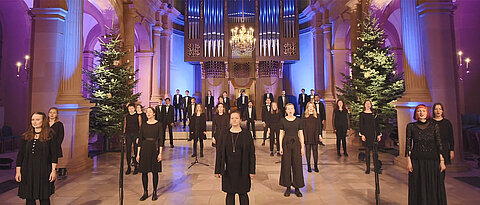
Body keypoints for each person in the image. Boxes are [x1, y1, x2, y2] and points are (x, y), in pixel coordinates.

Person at [406, 104, 446, 205]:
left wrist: (442, 161)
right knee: (418, 186)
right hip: (417, 160)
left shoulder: (434, 126)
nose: (421, 113)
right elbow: (408, 145)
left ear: (427, 113)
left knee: (432, 185)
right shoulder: (411, 126)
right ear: (416, 113)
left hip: (432, 160)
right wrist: (409, 162)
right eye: (419, 111)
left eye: (423, 111)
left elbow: (439, 144)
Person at [15, 112, 58, 205]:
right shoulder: (26, 136)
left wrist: (53, 170)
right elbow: (20, 155)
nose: (34, 122)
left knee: (44, 196)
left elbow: (54, 155)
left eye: (37, 119)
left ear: (43, 121)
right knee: (29, 196)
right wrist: (18, 172)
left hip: (44, 169)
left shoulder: (50, 135)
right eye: (33, 119)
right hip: (28, 170)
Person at [215, 110, 256, 205]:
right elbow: (220, 153)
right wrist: (217, 170)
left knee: (243, 194)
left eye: (236, 118)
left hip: (243, 169)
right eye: (232, 118)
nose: (234, 120)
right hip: (228, 170)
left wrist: (252, 171)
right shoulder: (224, 134)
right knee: (230, 194)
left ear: (240, 120)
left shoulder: (246, 134)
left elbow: (251, 154)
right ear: (229, 120)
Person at [136, 107, 164, 201]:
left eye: (150, 112)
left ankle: (155, 192)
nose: (148, 113)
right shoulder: (143, 125)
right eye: (147, 112)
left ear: (154, 113)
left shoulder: (159, 124)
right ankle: (145, 192)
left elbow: (161, 140)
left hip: (154, 148)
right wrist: (138, 154)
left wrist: (160, 153)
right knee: (144, 172)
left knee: (154, 171)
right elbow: (140, 140)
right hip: (144, 148)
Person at [279, 103, 305, 197]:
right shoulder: (282, 120)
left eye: (292, 108)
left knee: (297, 165)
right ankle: (288, 187)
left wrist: (302, 147)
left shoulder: (298, 121)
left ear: (294, 110)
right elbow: (281, 134)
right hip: (286, 144)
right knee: (286, 165)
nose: (290, 110)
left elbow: (301, 134)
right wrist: (280, 147)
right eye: (288, 109)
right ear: (286, 111)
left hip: (296, 144)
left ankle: (297, 188)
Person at [359, 100, 382, 174]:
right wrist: (362, 135)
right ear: (364, 105)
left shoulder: (374, 114)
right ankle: (368, 168)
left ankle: (376, 168)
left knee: (375, 153)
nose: (368, 105)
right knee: (367, 152)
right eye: (366, 104)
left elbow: (377, 125)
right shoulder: (362, 114)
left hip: (373, 134)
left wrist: (379, 134)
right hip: (366, 134)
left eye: (369, 104)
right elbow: (361, 125)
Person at [432, 103, 454, 167]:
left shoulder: (447, 123)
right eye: (436, 109)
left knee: (442, 168)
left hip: (444, 148)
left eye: (440, 109)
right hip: (433, 148)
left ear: (442, 111)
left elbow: (451, 137)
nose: (438, 111)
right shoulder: (430, 122)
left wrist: (452, 150)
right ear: (433, 111)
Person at [302, 102, 321, 173]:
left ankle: (315, 165)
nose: (310, 108)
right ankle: (309, 165)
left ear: (314, 107)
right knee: (308, 151)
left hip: (314, 136)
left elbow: (319, 127)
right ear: (307, 108)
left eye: (312, 106)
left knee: (315, 151)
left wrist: (319, 135)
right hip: (307, 135)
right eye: (309, 106)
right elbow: (302, 127)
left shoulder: (317, 116)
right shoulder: (304, 116)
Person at [124, 103, 142, 175]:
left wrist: (139, 137)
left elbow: (140, 127)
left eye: (132, 108)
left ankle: (136, 167)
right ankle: (128, 167)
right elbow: (125, 126)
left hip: (136, 135)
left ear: (134, 108)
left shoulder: (138, 116)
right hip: (128, 135)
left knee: (135, 150)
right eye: (129, 109)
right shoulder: (126, 117)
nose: (130, 110)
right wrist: (124, 136)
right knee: (128, 151)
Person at [48, 107, 66, 178]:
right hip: (45, 146)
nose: (52, 114)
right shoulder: (45, 124)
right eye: (50, 112)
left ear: (57, 114)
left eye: (54, 113)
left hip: (54, 146)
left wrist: (56, 146)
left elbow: (60, 137)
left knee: (52, 162)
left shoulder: (59, 124)